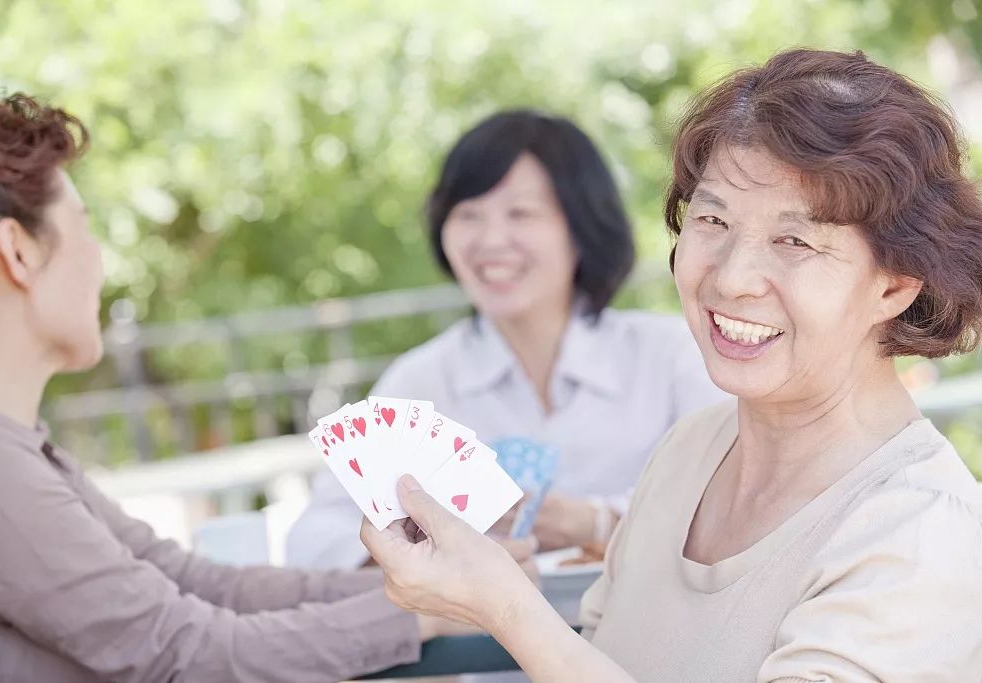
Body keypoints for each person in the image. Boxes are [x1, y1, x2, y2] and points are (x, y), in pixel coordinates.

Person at [360, 48, 982, 682]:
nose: (734, 278)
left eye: (795, 241)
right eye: (712, 219)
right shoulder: (688, 452)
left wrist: (507, 607)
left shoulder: (926, 534)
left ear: (897, 285)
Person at [0, 94, 535, 683]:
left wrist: (431, 583)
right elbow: (186, 652)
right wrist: (429, 608)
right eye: (84, 230)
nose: (100, 263)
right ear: (18, 252)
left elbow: (199, 584)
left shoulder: (5, 446)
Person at [287, 109, 725, 569]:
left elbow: (735, 509)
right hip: (474, 635)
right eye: (468, 214)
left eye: (521, 213)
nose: (492, 240)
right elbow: (314, 538)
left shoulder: (672, 356)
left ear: (582, 227)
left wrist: (598, 522)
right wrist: (427, 550)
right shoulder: (421, 382)